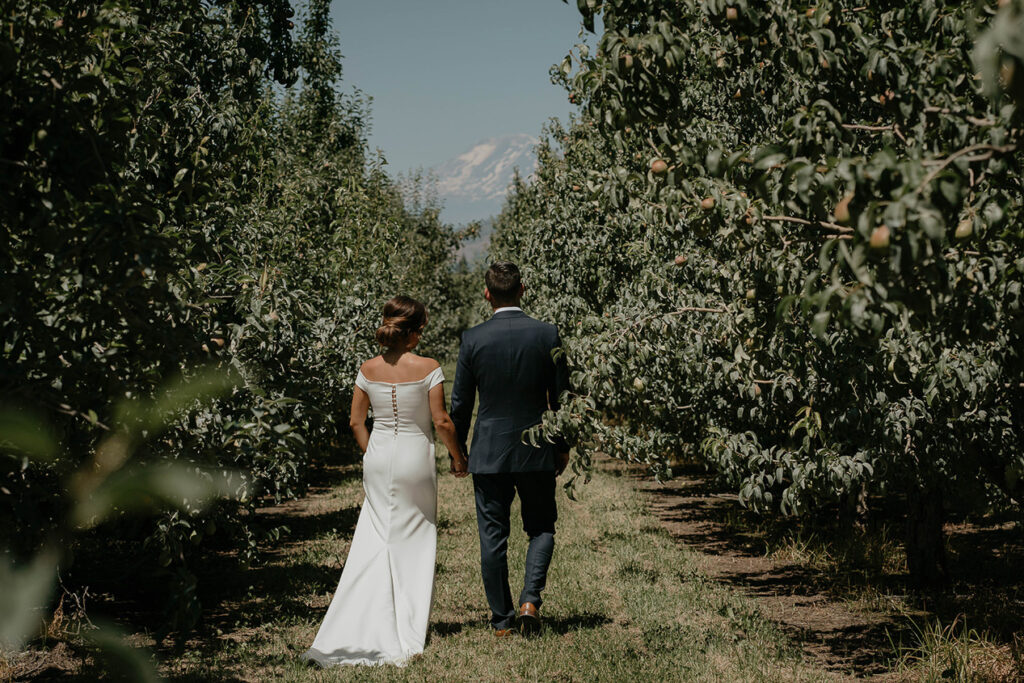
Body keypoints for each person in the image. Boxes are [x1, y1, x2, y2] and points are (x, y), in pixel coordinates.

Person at [302, 296, 468, 667]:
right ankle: (406, 627)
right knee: (414, 539)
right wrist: (458, 457)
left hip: (378, 457)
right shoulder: (429, 367)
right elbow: (441, 421)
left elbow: (356, 422)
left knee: (376, 538)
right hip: (414, 457)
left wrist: (371, 453)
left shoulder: (367, 368)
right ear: (414, 332)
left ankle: (357, 617)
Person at [450, 261, 570, 637]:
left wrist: (458, 452)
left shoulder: (473, 339)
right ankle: (530, 600)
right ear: (523, 289)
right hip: (536, 448)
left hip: (488, 451)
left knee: (492, 535)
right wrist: (563, 444)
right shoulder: (547, 333)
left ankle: (502, 621)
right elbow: (563, 396)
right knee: (542, 527)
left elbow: (461, 404)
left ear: (487, 294)